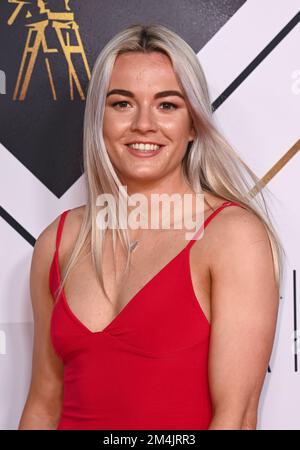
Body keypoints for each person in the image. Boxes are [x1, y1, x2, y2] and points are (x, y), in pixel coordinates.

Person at [18, 23, 284, 430]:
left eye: (167, 105)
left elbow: (236, 418)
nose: (144, 124)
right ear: (99, 119)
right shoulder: (59, 241)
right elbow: (41, 406)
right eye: (122, 103)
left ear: (193, 124)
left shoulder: (231, 236)